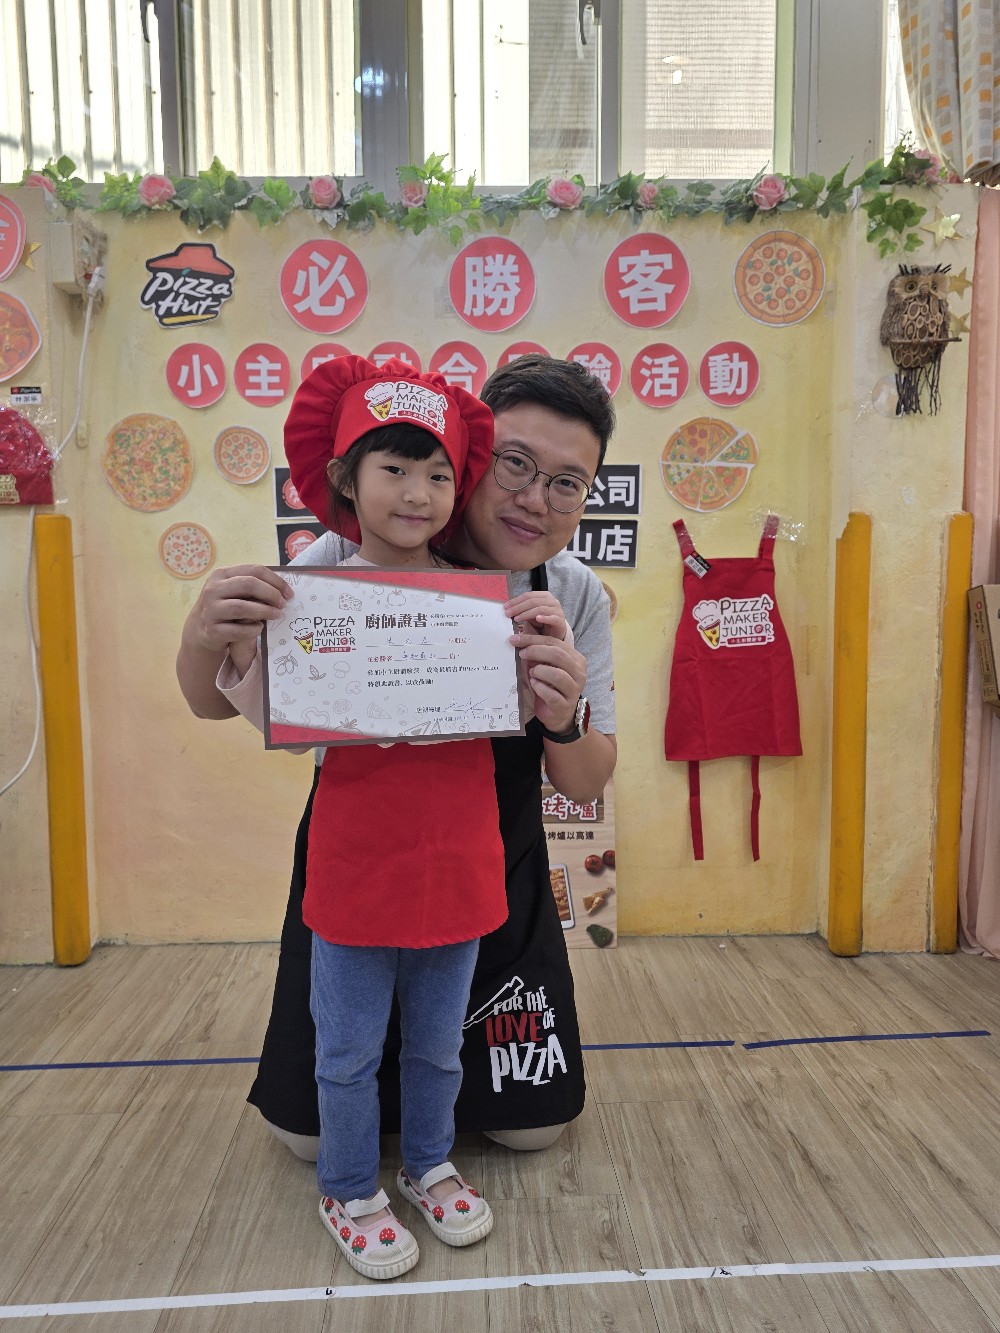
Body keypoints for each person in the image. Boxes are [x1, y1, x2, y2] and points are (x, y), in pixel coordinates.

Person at [176, 354, 617, 1163]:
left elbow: (585, 782)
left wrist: (562, 715)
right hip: (359, 863)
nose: (533, 497)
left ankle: (430, 1154)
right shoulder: (346, 563)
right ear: (475, 460)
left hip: (493, 867)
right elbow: (212, 701)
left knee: (531, 1129)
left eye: (566, 483)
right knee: (305, 1136)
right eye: (514, 464)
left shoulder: (569, 593)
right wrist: (204, 634)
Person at [216, 354, 515, 1279]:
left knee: (438, 1044)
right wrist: (245, 642)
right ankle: (347, 1186)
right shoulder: (311, 591)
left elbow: (518, 705)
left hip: (457, 854)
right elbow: (273, 714)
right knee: (344, 1049)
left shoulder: (479, 599)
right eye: (394, 468)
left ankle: (427, 1161)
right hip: (355, 858)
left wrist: (535, 654)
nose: (418, 492)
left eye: (438, 473)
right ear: (345, 477)